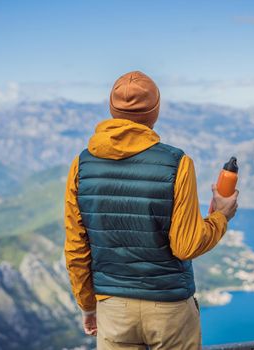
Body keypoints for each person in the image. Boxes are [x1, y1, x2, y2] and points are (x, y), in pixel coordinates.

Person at [64, 71, 239, 349]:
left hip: (113, 308)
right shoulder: (177, 163)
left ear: (112, 110)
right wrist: (221, 216)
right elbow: (186, 245)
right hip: (169, 309)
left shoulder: (81, 165)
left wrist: (87, 305)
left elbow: (76, 247)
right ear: (154, 112)